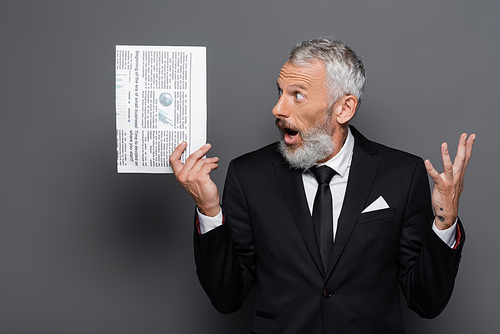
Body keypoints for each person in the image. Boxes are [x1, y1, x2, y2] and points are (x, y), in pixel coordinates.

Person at [169, 38, 475, 334]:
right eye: (280, 92)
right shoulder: (248, 175)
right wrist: (209, 210)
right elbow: (227, 298)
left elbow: (426, 302)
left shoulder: (402, 174)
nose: (278, 109)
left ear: (344, 108)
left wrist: (445, 221)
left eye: (297, 95)